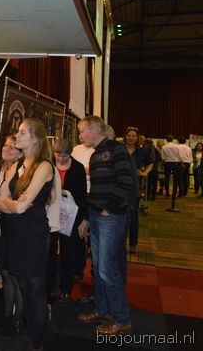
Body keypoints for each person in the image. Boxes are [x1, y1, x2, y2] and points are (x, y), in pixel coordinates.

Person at [0, 118, 54, 351]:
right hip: (14, 233)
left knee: (35, 290)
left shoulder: (43, 166)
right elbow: (6, 201)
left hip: (32, 235)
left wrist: (6, 204)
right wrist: (9, 203)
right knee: (24, 288)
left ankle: (37, 342)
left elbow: (18, 207)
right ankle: (32, 335)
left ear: (35, 139)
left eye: (22, 132)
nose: (17, 136)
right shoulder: (20, 164)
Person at [76, 116, 133, 336]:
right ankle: (102, 310)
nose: (80, 135)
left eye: (82, 131)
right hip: (97, 216)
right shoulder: (95, 154)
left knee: (107, 269)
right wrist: (88, 218)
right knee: (99, 267)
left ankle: (121, 319)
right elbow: (95, 191)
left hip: (110, 217)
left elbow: (126, 183)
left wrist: (109, 208)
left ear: (94, 130)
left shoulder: (117, 150)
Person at [0, 135, 24, 335]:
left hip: (15, 226)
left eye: (12, 147)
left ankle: (18, 320)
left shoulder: (22, 171)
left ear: (20, 153)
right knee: (5, 272)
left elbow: (17, 201)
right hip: (2, 223)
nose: (6, 149)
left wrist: (0, 203)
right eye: (5, 145)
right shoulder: (3, 168)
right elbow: (1, 196)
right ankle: (7, 316)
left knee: (16, 274)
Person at [51, 138, 88, 302]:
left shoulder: (78, 168)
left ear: (70, 154)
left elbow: (82, 196)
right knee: (50, 252)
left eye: (64, 156)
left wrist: (84, 219)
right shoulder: (49, 165)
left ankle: (65, 288)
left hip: (71, 215)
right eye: (57, 155)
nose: (60, 159)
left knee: (68, 252)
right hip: (51, 213)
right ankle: (51, 286)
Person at [123, 127, 154, 253]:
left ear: (137, 138)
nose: (131, 138)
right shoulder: (119, 149)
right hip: (119, 186)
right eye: (129, 135)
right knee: (119, 215)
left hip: (135, 186)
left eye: (134, 136)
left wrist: (144, 173)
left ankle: (133, 243)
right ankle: (120, 242)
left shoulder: (142, 151)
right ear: (125, 137)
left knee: (133, 216)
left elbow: (150, 163)